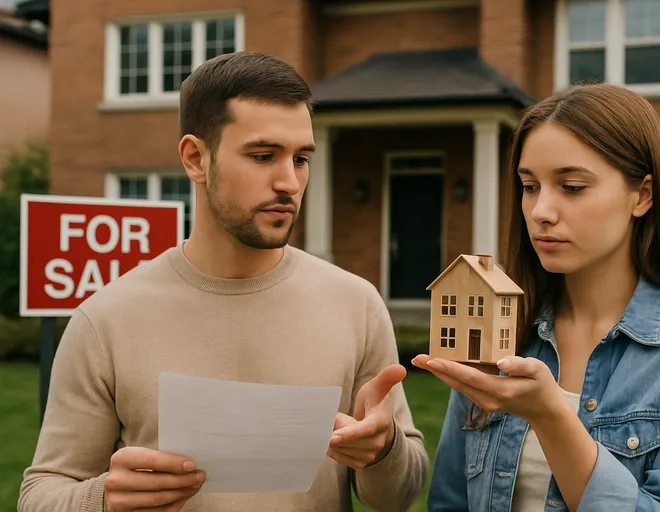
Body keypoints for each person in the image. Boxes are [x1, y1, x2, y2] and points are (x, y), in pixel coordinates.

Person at [18, 51, 428, 512]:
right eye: (263, 155)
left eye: (301, 158)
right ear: (196, 158)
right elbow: (42, 494)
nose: (289, 182)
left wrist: (384, 448)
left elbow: (399, 496)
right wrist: (101, 499)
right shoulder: (107, 319)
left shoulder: (356, 303)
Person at [412, 83, 660, 511]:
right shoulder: (496, 326)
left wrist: (551, 416)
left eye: (572, 186)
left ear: (642, 195)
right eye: (530, 186)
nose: (541, 211)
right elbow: (449, 503)